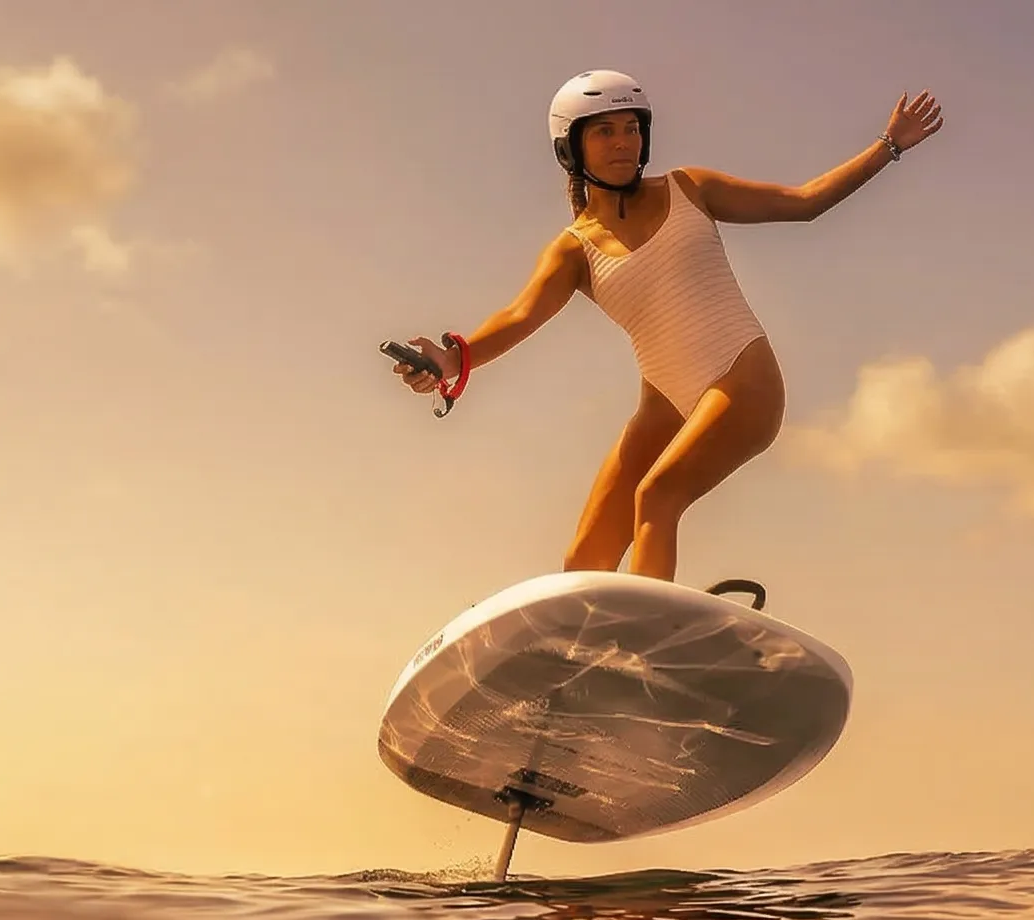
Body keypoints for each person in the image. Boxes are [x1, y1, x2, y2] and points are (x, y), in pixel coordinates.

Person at [391, 71, 944, 583]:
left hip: (742, 382)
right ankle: (579, 667)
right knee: (585, 559)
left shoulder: (689, 188)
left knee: (657, 496)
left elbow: (803, 203)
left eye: (631, 129)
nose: (623, 143)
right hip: (666, 399)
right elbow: (517, 317)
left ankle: (644, 646)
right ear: (571, 147)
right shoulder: (573, 250)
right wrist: (450, 360)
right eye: (605, 131)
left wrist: (888, 145)